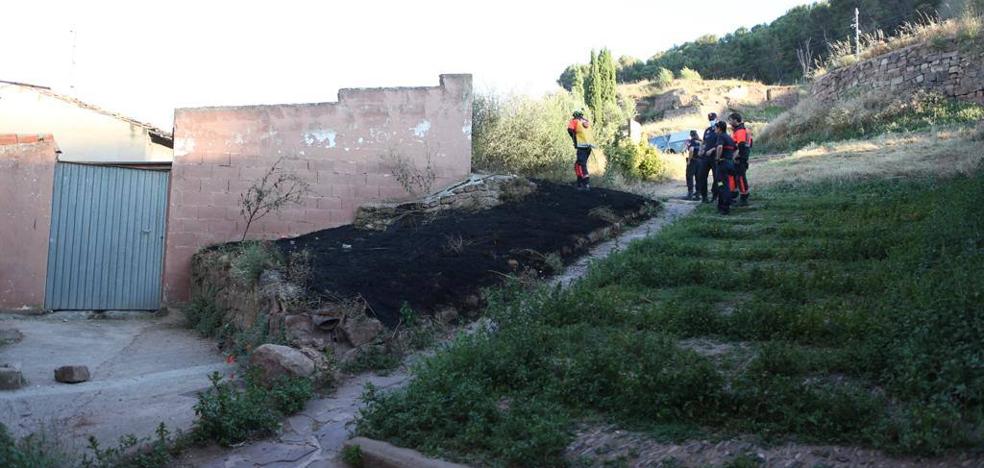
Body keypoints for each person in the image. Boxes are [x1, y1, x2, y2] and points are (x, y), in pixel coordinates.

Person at [713, 120, 737, 215]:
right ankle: (722, 205)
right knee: (724, 185)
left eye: (716, 128)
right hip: (729, 164)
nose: (715, 129)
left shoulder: (721, 136)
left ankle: (725, 208)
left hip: (722, 164)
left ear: (719, 128)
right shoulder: (729, 138)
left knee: (722, 186)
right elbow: (736, 149)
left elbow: (719, 147)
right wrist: (731, 158)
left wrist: (718, 158)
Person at [695, 112, 719, 203]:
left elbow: (721, 144)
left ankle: (715, 195)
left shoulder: (720, 130)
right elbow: (704, 142)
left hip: (715, 157)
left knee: (717, 177)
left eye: (713, 119)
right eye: (710, 120)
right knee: (701, 176)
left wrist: (712, 150)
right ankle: (704, 197)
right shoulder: (707, 130)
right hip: (705, 158)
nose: (711, 121)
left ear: (716, 119)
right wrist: (701, 150)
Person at [728, 112, 751, 206]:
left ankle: (744, 196)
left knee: (740, 177)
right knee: (737, 177)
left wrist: (736, 156)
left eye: (730, 120)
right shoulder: (740, 130)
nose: (729, 122)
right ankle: (738, 194)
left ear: (735, 120)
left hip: (740, 158)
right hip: (741, 157)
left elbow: (741, 145)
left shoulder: (740, 131)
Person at [567, 110, 594, 191]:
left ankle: (586, 184)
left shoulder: (574, 121)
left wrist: (573, 137)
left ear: (575, 116)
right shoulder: (586, 122)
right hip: (589, 146)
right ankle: (579, 184)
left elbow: (569, 129)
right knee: (578, 164)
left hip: (581, 146)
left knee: (581, 165)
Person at [683, 130, 701, 200]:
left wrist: (689, 160)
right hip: (700, 161)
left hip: (693, 160)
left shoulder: (691, 141)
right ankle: (698, 194)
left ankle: (690, 193)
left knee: (689, 177)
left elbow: (691, 150)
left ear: (691, 135)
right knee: (698, 178)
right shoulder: (700, 141)